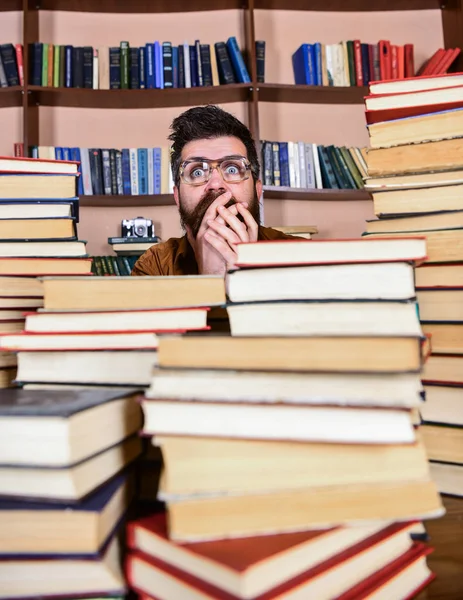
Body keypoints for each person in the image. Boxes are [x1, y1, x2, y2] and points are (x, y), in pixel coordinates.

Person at [131, 105, 297, 276]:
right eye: (197, 172)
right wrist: (211, 279)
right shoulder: (154, 266)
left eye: (232, 169)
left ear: (257, 190)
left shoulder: (301, 256)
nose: (216, 184)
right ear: (177, 196)